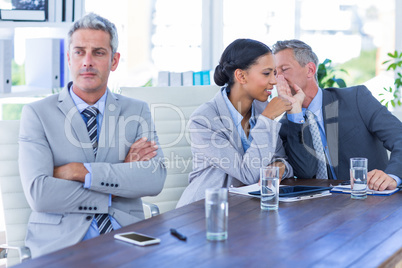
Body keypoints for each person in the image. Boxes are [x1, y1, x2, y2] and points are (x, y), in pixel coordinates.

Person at [18, 13, 166, 258]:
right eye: (79, 52)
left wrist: (79, 171)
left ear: (114, 60)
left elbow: (154, 179)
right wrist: (117, 183)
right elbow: (40, 195)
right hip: (62, 242)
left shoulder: (136, 110)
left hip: (127, 235)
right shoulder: (37, 114)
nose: (87, 62)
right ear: (69, 58)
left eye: (98, 52)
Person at [176, 39, 294, 207]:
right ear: (241, 76)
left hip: (248, 210)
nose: (274, 81)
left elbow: (282, 160)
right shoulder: (204, 120)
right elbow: (248, 174)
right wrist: (267, 119)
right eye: (267, 73)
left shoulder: (262, 110)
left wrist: (281, 166)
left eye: (274, 73)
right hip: (205, 212)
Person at [273, 39, 402, 190]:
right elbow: (306, 171)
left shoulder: (356, 98)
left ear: (310, 70)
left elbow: (399, 137)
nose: (278, 78)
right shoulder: (288, 124)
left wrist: (393, 176)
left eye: (284, 69)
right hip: (320, 207)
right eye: (275, 72)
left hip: (370, 199)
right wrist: (295, 114)